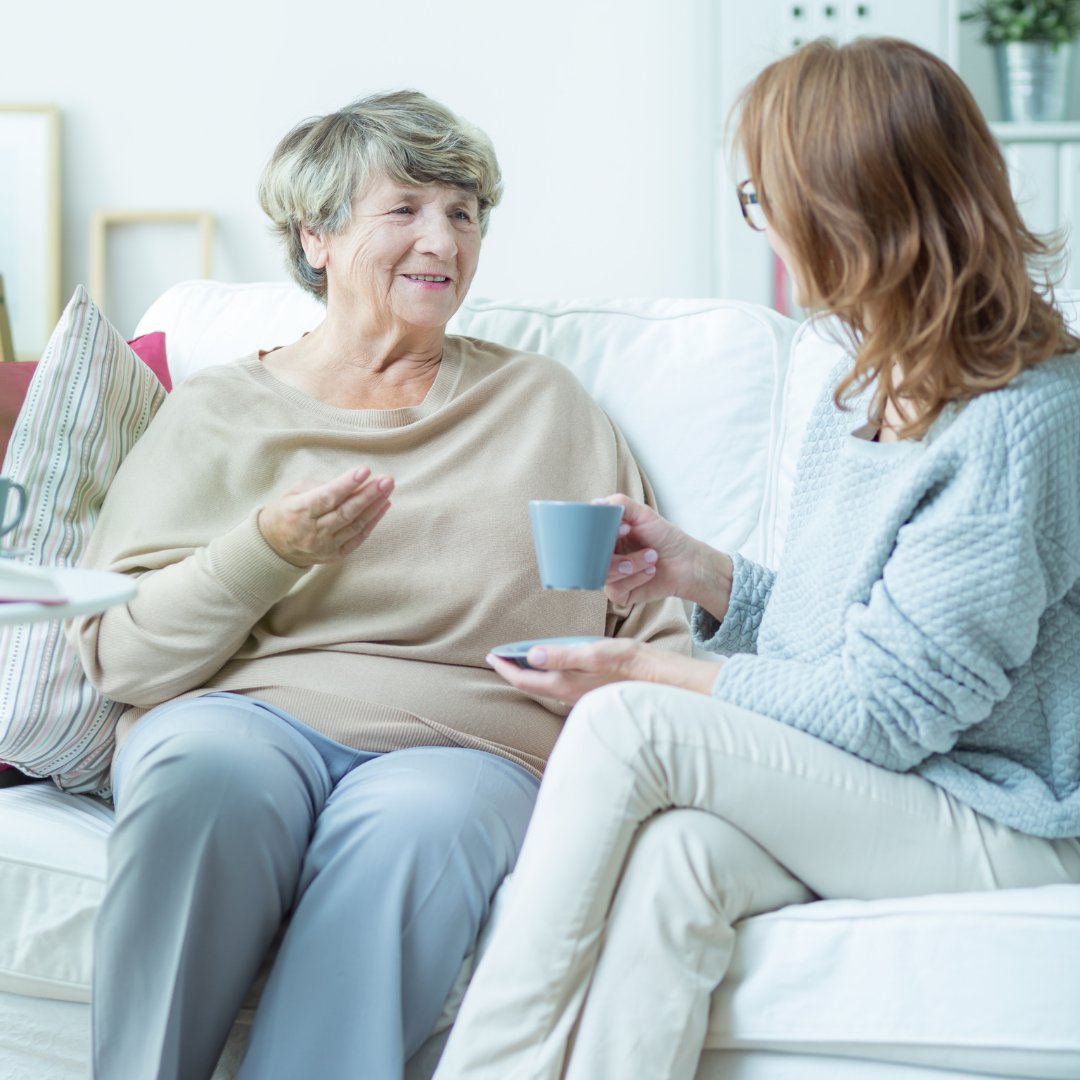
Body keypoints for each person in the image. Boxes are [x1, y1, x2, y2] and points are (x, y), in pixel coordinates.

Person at [432, 37, 1080, 1080]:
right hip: (905, 778)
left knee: (628, 723)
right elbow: (841, 645)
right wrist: (705, 575)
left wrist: (647, 669)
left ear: (849, 206)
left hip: (1005, 813)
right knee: (677, 862)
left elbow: (885, 712)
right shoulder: (859, 384)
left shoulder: (1018, 425)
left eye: (767, 196)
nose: (765, 226)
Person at [68, 90, 689, 1080]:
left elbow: (655, 620)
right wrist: (265, 549)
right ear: (315, 236)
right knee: (200, 778)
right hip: (245, 715)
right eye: (404, 209)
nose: (441, 239)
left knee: (415, 830)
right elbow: (122, 655)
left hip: (469, 744)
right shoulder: (222, 411)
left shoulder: (543, 406)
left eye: (463, 212)